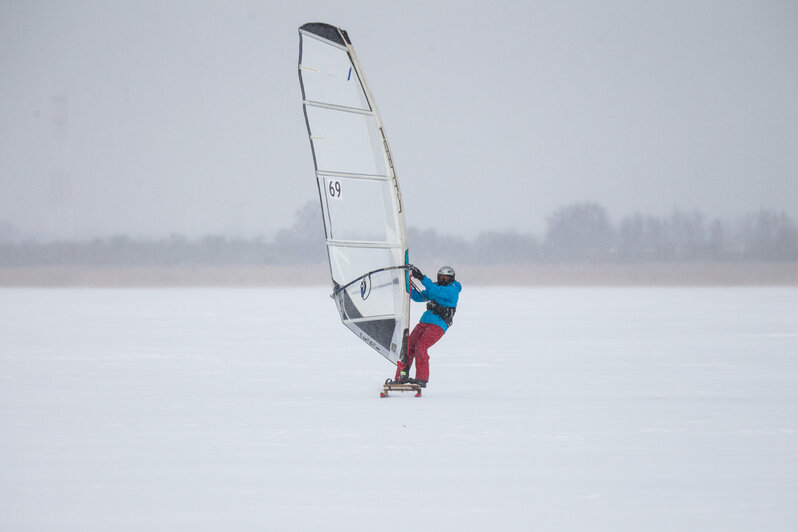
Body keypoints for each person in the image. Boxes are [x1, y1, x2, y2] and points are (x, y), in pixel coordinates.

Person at [393, 265, 461, 388]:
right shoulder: (436, 288)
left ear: (451, 278)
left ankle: (421, 379)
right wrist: (404, 285)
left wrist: (422, 278)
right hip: (424, 322)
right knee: (409, 347)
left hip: (439, 325)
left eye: (446, 277)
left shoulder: (453, 289)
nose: (443, 280)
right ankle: (401, 376)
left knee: (421, 347)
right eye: (441, 277)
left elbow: (436, 291)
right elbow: (418, 297)